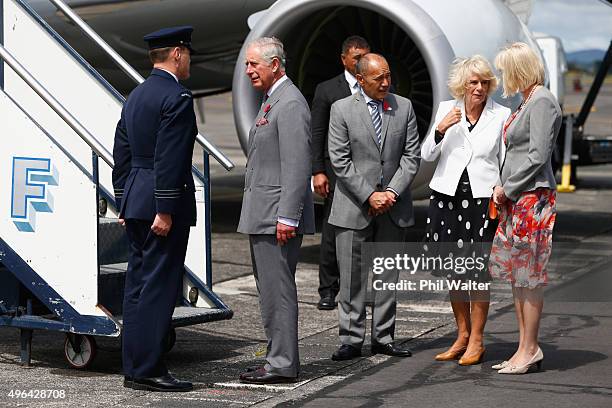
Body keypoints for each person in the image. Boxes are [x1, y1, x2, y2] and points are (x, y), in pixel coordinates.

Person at [112, 26, 197, 392]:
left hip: (135, 199)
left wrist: (122, 198)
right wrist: (165, 208)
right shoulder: (176, 96)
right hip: (162, 204)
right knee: (159, 288)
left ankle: (133, 366)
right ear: (177, 53)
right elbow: (171, 157)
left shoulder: (136, 96)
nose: (190, 59)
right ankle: (148, 368)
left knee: (137, 285)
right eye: (188, 53)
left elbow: (122, 153)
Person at [327, 53, 420, 361]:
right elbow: (339, 160)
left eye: (388, 76)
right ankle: (351, 339)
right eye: (379, 78)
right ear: (362, 79)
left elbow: (411, 156)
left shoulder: (403, 107)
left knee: (387, 274)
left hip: (393, 205)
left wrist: (391, 191)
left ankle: (384, 337)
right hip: (354, 206)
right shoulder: (341, 110)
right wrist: (370, 195)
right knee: (352, 278)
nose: (385, 82)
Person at [421, 55, 511, 365]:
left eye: (485, 82)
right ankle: (461, 334)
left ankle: (477, 339)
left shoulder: (502, 115)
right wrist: (440, 129)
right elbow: (427, 154)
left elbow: (504, 161)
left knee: (477, 274)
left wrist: (502, 191)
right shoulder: (447, 109)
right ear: (463, 84)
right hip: (446, 199)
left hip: (481, 203)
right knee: (453, 273)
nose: (479, 88)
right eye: (473, 82)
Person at [237, 37, 315, 384]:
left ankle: (282, 363)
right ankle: (276, 358)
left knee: (278, 292)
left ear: (275, 65)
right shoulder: (273, 100)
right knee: (269, 291)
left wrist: (287, 216)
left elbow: (297, 165)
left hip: (275, 217)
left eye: (254, 64)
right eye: (248, 64)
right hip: (265, 212)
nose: (248, 70)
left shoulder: (291, 103)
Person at [490, 42, 562, 374]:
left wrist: (508, 188)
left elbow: (538, 155)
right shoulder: (527, 101)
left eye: (506, 69)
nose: (503, 76)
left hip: (532, 200)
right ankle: (523, 348)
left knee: (529, 276)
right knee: (518, 277)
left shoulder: (543, 101)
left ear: (519, 68)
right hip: (518, 201)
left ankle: (530, 348)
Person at [311, 36, 370, 311]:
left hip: (367, 171)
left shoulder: (375, 86)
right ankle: (327, 288)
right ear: (345, 58)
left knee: (365, 232)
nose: (362, 62)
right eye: (357, 57)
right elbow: (317, 132)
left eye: (365, 56)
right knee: (333, 231)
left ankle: (359, 288)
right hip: (335, 172)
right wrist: (318, 171)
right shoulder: (327, 89)